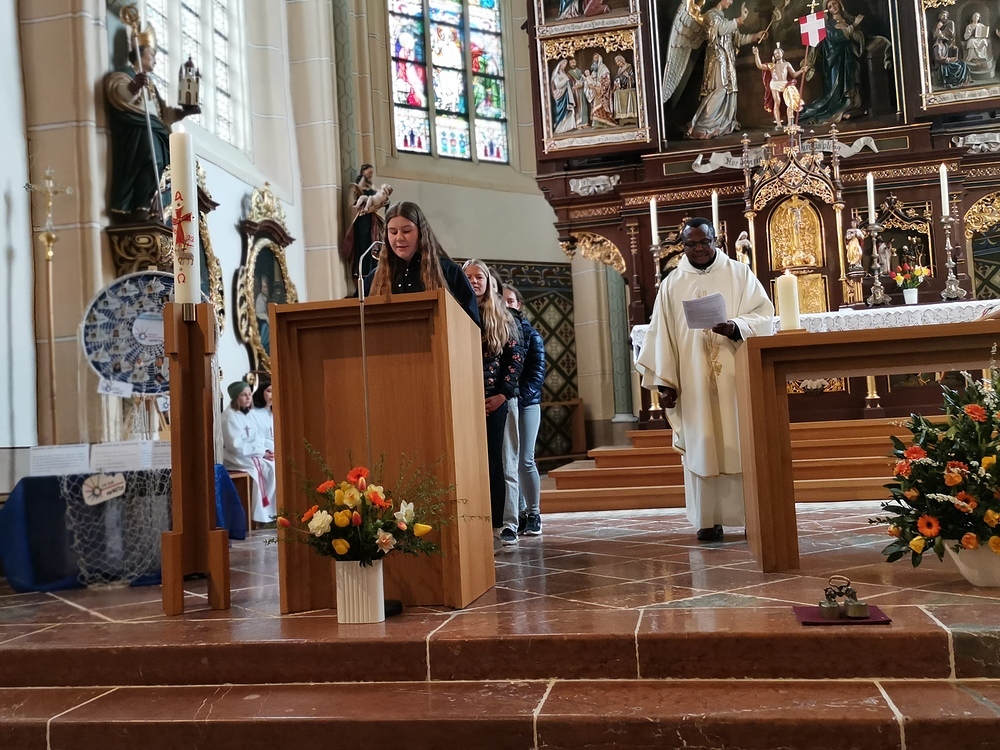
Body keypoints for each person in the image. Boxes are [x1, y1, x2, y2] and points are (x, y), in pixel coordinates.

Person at [635, 218, 774, 541]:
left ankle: (750, 516)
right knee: (702, 445)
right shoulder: (672, 283)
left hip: (735, 378)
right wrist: (665, 383)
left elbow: (763, 315)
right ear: (682, 246)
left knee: (740, 442)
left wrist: (736, 326)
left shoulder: (739, 274)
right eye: (691, 244)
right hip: (692, 381)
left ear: (716, 241)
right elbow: (661, 335)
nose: (698, 249)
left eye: (704, 242)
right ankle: (708, 520)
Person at [104, 23, 199, 223]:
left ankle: (145, 206)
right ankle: (139, 206)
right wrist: (134, 86)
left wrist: (183, 112)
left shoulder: (151, 83)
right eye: (152, 54)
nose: (155, 59)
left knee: (160, 164)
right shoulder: (126, 74)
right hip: (139, 128)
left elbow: (162, 113)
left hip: (155, 128)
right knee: (152, 160)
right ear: (139, 53)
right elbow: (117, 92)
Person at [463, 259, 524, 550]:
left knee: (497, 464)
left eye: (479, 277)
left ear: (488, 282)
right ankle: (472, 523)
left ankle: (501, 525)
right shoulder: (456, 310)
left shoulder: (504, 316)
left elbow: (515, 360)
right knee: (468, 464)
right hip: (464, 399)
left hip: (495, 399)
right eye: (467, 276)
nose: (473, 281)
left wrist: (501, 396)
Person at [361, 201, 480, 326]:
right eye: (393, 232)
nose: (399, 238)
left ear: (421, 232)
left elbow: (472, 324)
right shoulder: (375, 278)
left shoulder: (449, 271)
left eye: (406, 231)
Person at [686, 0, 766, 140]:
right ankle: (704, 124)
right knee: (720, 89)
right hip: (717, 59)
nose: (731, 2)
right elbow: (721, 29)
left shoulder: (725, 18)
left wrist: (755, 36)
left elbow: (737, 39)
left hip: (727, 59)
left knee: (728, 89)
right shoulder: (710, 16)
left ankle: (720, 123)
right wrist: (740, 19)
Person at [798, 0, 888, 125]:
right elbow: (835, 37)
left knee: (851, 83)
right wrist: (853, 27)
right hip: (834, 61)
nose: (833, 7)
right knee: (836, 89)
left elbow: (859, 37)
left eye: (834, 4)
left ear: (840, 4)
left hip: (849, 59)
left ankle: (851, 105)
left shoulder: (849, 20)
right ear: (828, 10)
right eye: (830, 6)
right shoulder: (828, 25)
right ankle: (836, 107)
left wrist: (855, 32)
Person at [503, 284, 546, 536]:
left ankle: (534, 513)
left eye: (510, 301)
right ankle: (518, 512)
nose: (506, 305)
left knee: (525, 460)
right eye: (502, 300)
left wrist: (518, 397)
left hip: (527, 403)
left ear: (518, 304)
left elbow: (537, 373)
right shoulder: (496, 331)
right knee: (509, 460)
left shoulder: (532, 335)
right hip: (505, 403)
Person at [221, 381, 278, 525]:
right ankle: (262, 515)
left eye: (249, 394)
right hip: (235, 457)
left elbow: (256, 438)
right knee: (268, 468)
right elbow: (235, 445)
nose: (248, 398)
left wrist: (265, 451)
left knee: (274, 466)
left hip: (251, 453)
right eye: (243, 395)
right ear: (235, 397)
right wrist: (262, 452)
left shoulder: (245, 414)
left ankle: (270, 512)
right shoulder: (229, 416)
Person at [752, 45, 808, 130]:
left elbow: (793, 74)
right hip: (775, 84)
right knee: (777, 102)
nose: (777, 54)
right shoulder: (772, 65)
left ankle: (790, 123)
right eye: (775, 53)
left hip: (785, 83)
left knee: (790, 102)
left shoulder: (786, 64)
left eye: (778, 53)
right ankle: (778, 124)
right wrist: (756, 54)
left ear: (782, 53)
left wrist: (801, 71)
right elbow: (760, 66)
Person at [342, 164, 382, 281]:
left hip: (372, 222)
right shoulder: (355, 188)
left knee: (373, 243)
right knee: (363, 244)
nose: (370, 175)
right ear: (363, 172)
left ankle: (372, 270)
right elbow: (352, 207)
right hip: (361, 222)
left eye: (372, 173)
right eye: (369, 173)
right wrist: (368, 209)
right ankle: (361, 271)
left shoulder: (373, 189)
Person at [250, 379, 274, 453]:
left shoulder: (274, 415)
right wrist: (264, 451)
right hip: (259, 453)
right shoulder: (252, 413)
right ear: (261, 393)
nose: (272, 395)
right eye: (269, 391)